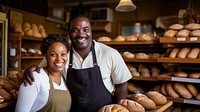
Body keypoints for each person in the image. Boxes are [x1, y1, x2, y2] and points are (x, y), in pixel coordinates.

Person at [23, 15, 132, 112]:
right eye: (75, 30)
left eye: (85, 29)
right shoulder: (62, 55)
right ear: (69, 33)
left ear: (91, 31)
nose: (81, 34)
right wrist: (33, 68)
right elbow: (42, 70)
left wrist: (117, 108)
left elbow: (122, 86)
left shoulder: (110, 53)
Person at [15, 34, 71, 112]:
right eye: (53, 54)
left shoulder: (64, 77)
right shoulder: (35, 77)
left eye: (63, 54)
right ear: (45, 55)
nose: (59, 58)